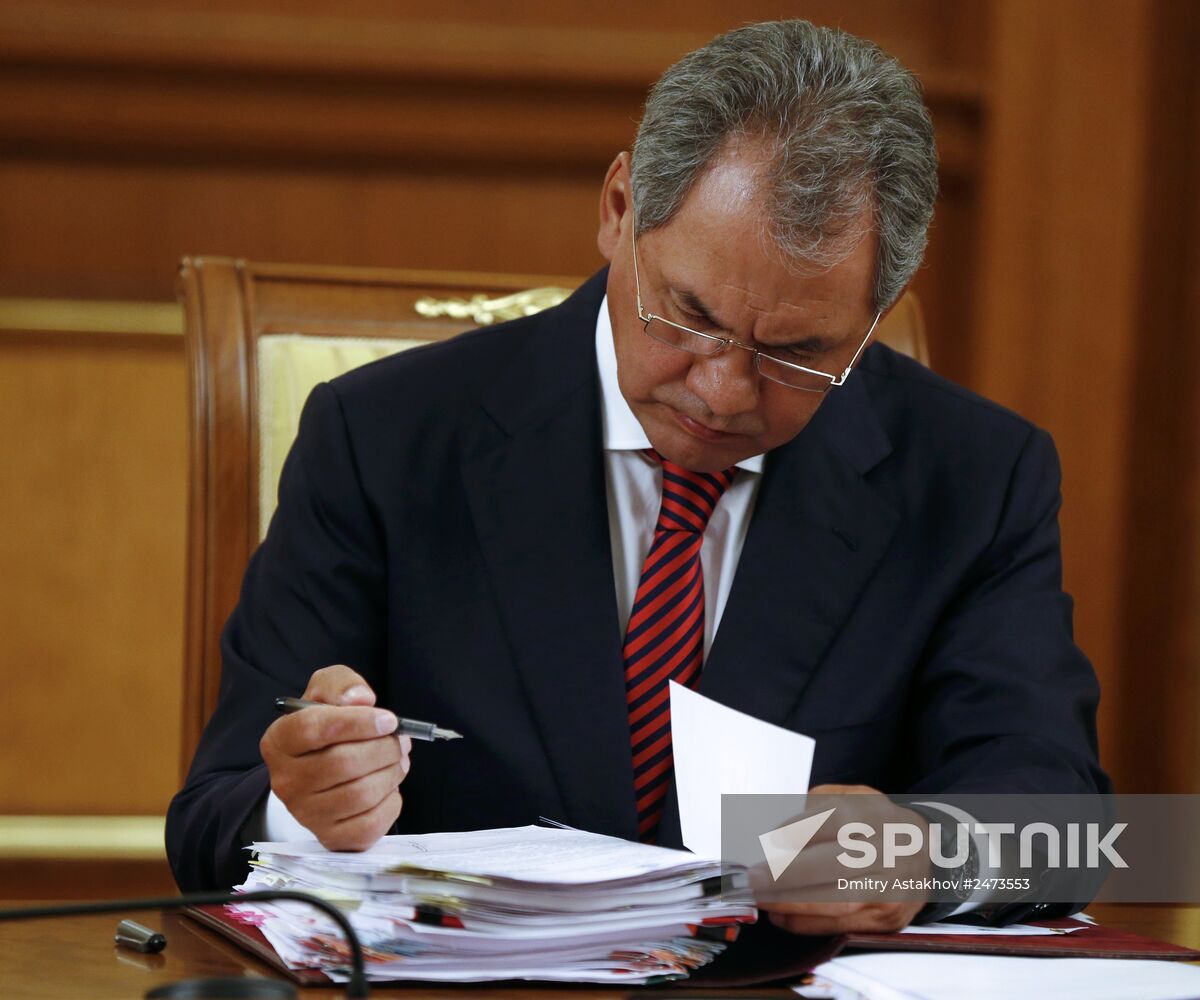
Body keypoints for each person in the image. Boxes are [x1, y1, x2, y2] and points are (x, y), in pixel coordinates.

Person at [167, 20, 1109, 934]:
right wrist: (306, 807)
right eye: (689, 316)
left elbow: (1065, 833)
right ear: (619, 210)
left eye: (799, 352)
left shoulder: (974, 476)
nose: (724, 390)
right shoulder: (385, 438)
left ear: (877, 312)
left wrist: (919, 854)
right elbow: (210, 822)